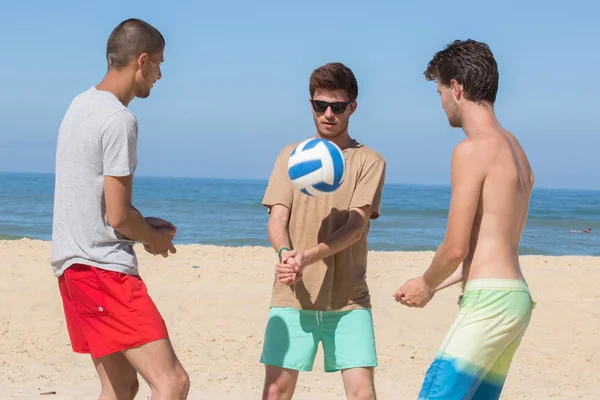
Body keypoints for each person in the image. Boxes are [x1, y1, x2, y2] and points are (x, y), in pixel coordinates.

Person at [51, 18, 190, 400]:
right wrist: (153, 240)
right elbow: (118, 216)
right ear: (141, 61)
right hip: (102, 271)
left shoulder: (80, 104)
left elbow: (96, 201)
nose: (160, 75)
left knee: (121, 387)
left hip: (73, 269)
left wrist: (143, 224)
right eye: (159, 64)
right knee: (172, 383)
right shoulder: (118, 119)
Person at [393, 39, 536, 400]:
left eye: (440, 91)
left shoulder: (471, 151)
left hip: (489, 302)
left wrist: (426, 283)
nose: (441, 103)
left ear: (456, 88)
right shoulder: (517, 150)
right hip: (515, 298)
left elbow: (456, 247)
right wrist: (433, 285)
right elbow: (490, 247)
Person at [260, 62, 386, 400]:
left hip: (348, 299)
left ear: (352, 108)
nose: (328, 114)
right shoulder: (291, 156)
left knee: (362, 393)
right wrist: (286, 256)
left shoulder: (369, 161)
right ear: (311, 104)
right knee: (276, 392)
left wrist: (309, 256)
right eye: (320, 105)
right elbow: (277, 218)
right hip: (292, 297)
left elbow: (356, 225)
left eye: (337, 107)